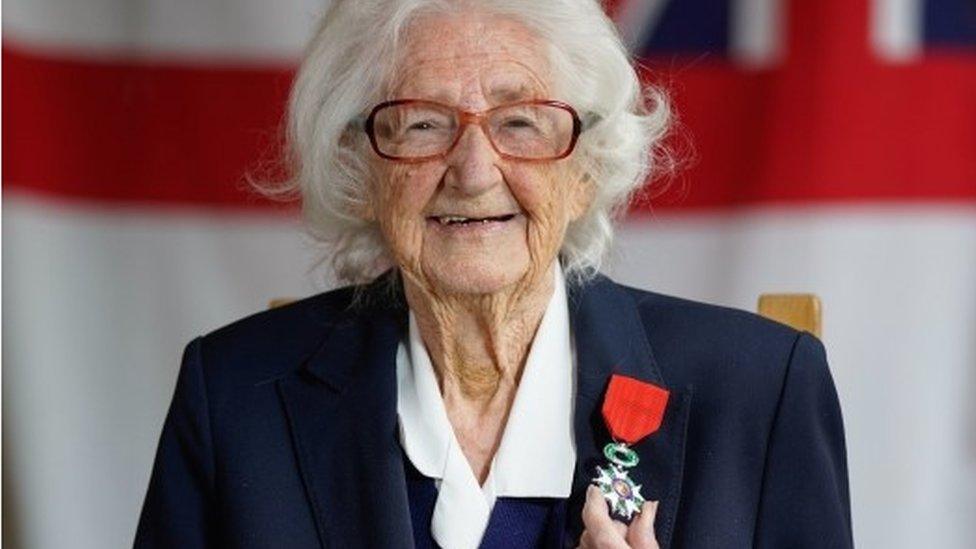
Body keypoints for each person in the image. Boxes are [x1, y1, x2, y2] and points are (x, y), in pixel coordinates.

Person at [134, 1, 853, 547]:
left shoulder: (761, 392)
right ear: (359, 168)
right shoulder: (234, 396)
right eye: (420, 123)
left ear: (587, 164)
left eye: (522, 122)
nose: (474, 173)